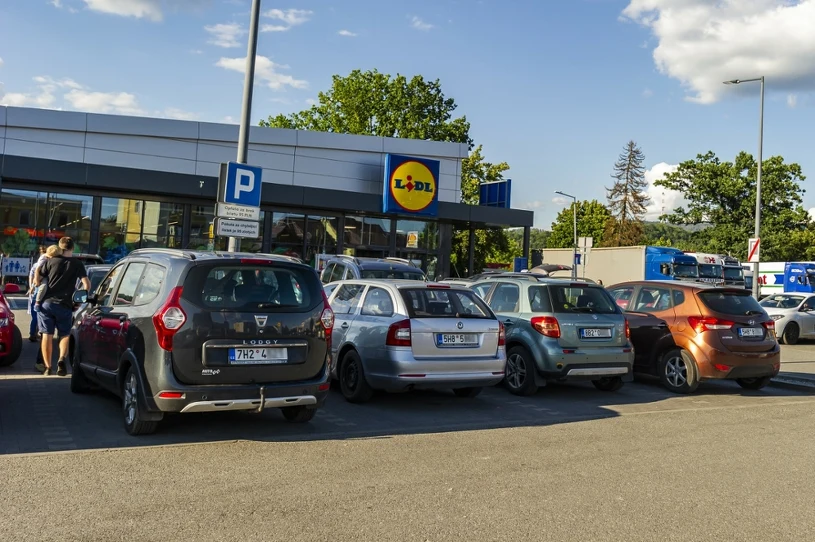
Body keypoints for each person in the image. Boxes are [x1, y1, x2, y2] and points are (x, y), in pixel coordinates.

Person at [35, 237, 90, 376]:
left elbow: (38, 275)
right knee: (64, 334)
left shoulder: (50, 261)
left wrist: (36, 282)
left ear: (60, 246)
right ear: (73, 248)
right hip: (65, 305)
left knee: (47, 335)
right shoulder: (77, 264)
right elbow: (87, 285)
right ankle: (61, 359)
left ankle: (48, 367)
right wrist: (78, 301)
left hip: (47, 304)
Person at [27, 245, 47, 342]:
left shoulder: (36, 265)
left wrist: (31, 287)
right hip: (43, 291)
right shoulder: (47, 265)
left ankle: (32, 333)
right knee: (41, 314)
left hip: (35, 290)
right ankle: (38, 332)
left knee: (35, 315)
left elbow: (31, 276)